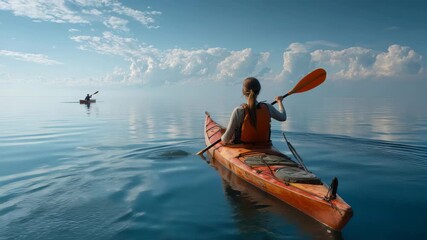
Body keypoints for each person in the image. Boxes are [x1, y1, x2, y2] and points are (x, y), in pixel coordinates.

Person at [221, 77, 287, 145]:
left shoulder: (239, 110)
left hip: (243, 147)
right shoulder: (268, 107)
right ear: (259, 91)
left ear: (243, 92)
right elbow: (283, 117)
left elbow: (225, 139)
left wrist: (222, 138)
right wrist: (279, 102)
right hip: (264, 146)